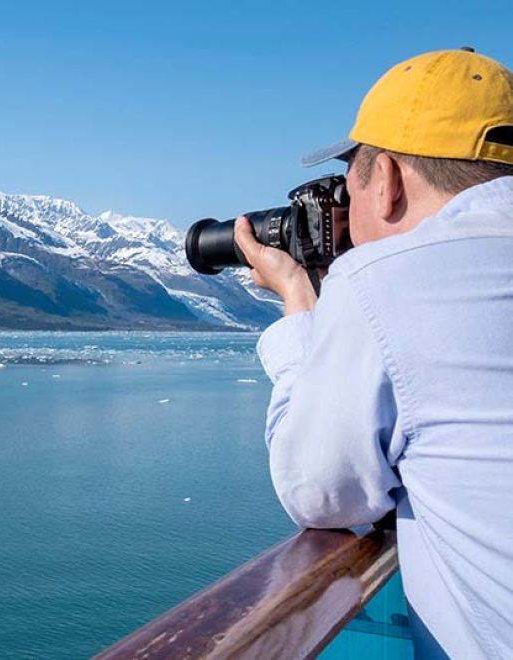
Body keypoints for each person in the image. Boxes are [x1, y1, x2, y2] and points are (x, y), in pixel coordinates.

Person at [234, 48, 513, 659]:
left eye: (348, 183)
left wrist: (300, 306)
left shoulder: (384, 279)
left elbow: (320, 493)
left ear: (384, 179)